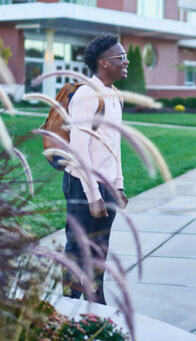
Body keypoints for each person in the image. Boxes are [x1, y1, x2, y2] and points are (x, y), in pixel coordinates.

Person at [63, 33, 130, 304]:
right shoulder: (86, 96)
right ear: (104, 63)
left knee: (100, 250)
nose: (126, 62)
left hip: (107, 185)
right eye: (121, 58)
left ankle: (96, 303)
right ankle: (66, 308)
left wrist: (119, 184)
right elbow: (79, 150)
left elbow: (114, 145)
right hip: (83, 183)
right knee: (78, 249)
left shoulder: (114, 95)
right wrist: (94, 196)